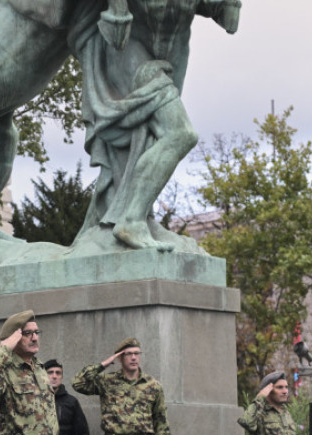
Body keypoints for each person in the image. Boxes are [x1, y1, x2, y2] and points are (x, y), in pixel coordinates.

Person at [69, 0, 241, 252]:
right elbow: (115, 30)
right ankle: (132, 220)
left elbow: (227, 20)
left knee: (149, 138)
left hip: (171, 56)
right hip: (128, 53)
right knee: (180, 134)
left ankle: (140, 217)